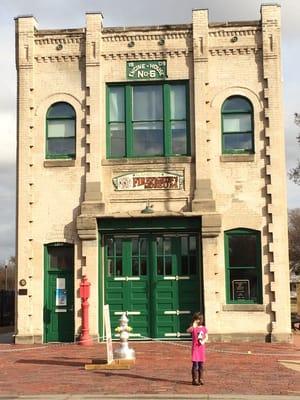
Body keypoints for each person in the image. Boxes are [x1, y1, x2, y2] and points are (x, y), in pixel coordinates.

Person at [186, 312, 208, 386]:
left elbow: (206, 337)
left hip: (201, 349)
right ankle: (194, 379)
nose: (197, 321)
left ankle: (201, 378)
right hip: (195, 349)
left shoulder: (204, 328)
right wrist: (193, 325)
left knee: (201, 365)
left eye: (198, 319)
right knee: (195, 364)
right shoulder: (194, 328)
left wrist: (203, 341)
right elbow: (188, 330)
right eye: (196, 319)